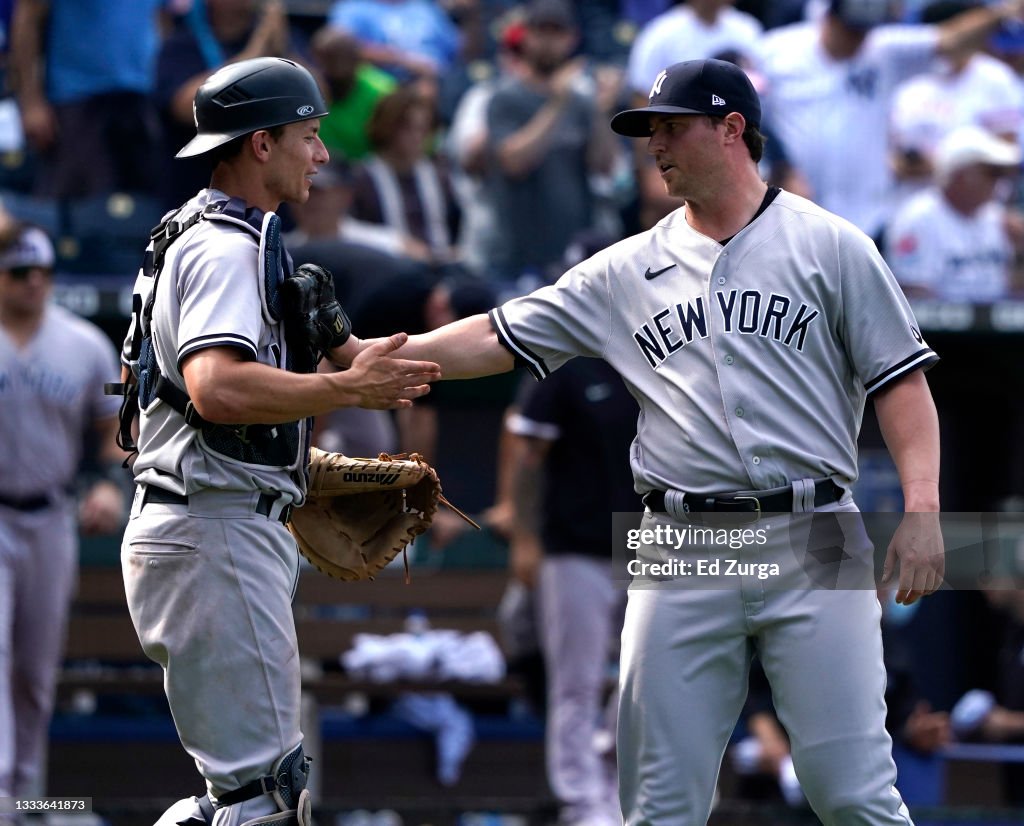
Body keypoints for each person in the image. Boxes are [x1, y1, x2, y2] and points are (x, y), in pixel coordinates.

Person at [340, 57, 948, 824]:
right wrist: (377, 357)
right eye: (646, 130)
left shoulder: (833, 246)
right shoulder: (627, 269)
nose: (654, 145)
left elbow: (901, 382)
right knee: (660, 802)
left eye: (671, 127)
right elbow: (498, 334)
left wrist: (923, 506)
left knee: (851, 790)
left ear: (733, 130)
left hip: (815, 526)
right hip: (680, 536)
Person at [116, 57, 440, 826]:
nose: (321, 154)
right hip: (211, 528)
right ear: (261, 144)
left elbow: (339, 362)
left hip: (210, 521)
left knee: (238, 794)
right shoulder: (225, 246)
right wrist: (340, 391)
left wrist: (359, 376)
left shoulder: (221, 234)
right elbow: (216, 387)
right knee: (261, 798)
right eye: (309, 135)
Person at [0, 223, 126, 813]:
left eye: (43, 273)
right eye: (20, 273)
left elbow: (115, 426)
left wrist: (106, 483)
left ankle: (23, 794)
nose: (33, 284)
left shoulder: (84, 344)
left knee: (34, 668)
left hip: (50, 515)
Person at [754, 0, 1024, 242]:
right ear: (829, 16)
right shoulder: (777, 50)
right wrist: (782, 169)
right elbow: (753, 116)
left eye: (866, 29)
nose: (858, 37)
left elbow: (950, 40)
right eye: (851, 29)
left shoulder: (882, 48)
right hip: (791, 211)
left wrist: (1002, 13)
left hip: (868, 219)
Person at [505, 357, 636, 826]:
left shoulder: (662, 353)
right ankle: (582, 804)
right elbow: (527, 452)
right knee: (576, 682)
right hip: (574, 546)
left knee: (648, 677)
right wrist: (524, 537)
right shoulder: (567, 366)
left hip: (650, 542)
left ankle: (620, 788)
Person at [8, 0, 166, 198]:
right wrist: (31, 103)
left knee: (149, 207)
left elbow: (161, 19)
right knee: (74, 208)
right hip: (77, 97)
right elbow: (27, 19)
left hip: (143, 94)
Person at [884, 125, 1024, 302]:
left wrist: (1021, 254)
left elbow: (1014, 293)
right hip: (939, 329)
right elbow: (914, 296)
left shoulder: (996, 217)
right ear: (961, 175)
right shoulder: (917, 218)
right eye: (991, 173)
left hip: (994, 327)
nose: (998, 182)